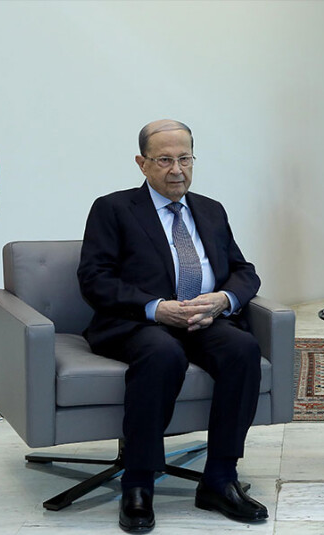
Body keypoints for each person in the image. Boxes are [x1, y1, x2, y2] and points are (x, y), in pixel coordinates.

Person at [78, 119, 267, 533]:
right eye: (164, 160)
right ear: (142, 163)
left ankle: (220, 478)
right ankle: (138, 483)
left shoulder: (211, 210)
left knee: (243, 349)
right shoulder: (113, 208)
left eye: (185, 159)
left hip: (201, 318)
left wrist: (224, 299)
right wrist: (156, 308)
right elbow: (95, 279)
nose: (177, 169)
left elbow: (244, 270)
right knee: (163, 353)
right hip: (138, 322)